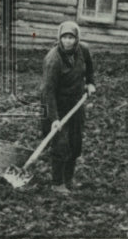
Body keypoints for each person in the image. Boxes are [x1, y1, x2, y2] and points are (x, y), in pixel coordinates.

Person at [40, 20, 96, 193]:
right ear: (59, 38)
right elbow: (48, 92)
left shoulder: (83, 50)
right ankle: (57, 183)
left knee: (75, 144)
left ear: (76, 38)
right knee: (60, 145)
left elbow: (90, 67)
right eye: (64, 37)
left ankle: (68, 181)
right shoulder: (53, 60)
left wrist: (90, 83)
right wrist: (54, 119)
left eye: (71, 37)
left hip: (76, 103)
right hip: (55, 105)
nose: (68, 41)